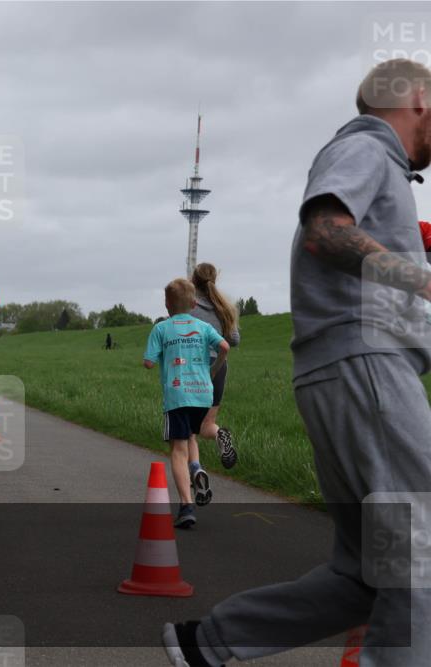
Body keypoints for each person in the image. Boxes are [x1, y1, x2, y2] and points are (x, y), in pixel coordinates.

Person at [163, 58, 431, 667]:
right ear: (417, 97)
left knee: (366, 575)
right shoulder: (369, 148)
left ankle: (206, 644)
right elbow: (325, 230)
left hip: (349, 372)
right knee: (420, 553)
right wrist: (422, 282)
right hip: (368, 368)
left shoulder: (377, 165)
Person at [143, 278, 229, 529]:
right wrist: (213, 369)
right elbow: (224, 346)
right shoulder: (202, 327)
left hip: (177, 395)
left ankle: (186, 506)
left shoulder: (161, 328)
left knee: (177, 448)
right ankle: (196, 467)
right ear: (193, 304)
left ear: (166, 304)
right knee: (191, 436)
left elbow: (148, 362)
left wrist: (158, 358)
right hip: (203, 393)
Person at [190, 262, 240, 469]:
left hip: (193, 367)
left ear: (193, 280)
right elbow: (234, 340)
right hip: (218, 367)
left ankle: (195, 472)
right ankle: (220, 434)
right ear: (215, 279)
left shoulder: (188, 305)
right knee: (207, 425)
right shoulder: (224, 307)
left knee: (188, 430)